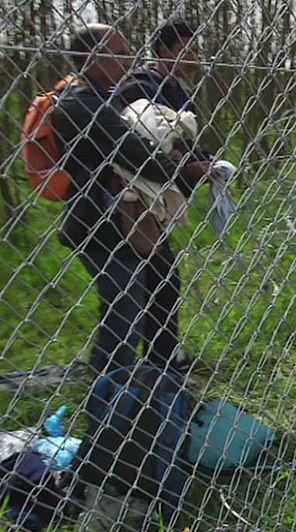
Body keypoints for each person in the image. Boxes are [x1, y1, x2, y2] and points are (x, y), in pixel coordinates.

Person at [54, 23, 210, 376]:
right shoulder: (82, 102)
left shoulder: (103, 95)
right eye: (118, 50)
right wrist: (182, 169)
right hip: (100, 219)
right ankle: (110, 396)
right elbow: (136, 152)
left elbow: (143, 150)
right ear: (94, 57)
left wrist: (176, 162)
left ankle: (151, 376)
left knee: (152, 291)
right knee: (124, 313)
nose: (127, 56)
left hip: (128, 215)